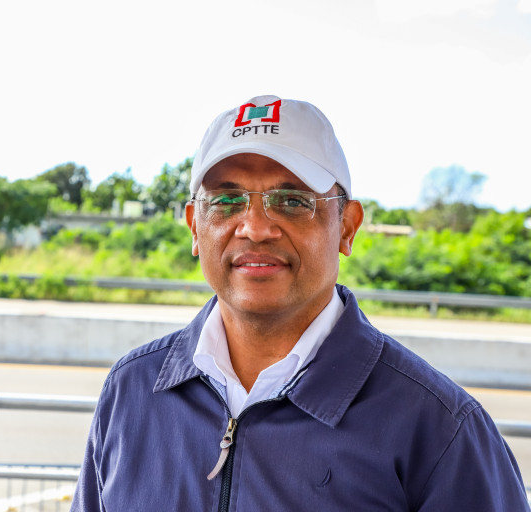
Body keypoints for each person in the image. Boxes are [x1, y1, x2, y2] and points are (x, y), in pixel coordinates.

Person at [71, 95, 530, 510]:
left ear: (347, 226)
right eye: (227, 200)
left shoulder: (438, 428)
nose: (255, 228)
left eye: (291, 201)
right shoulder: (131, 391)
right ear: (194, 226)